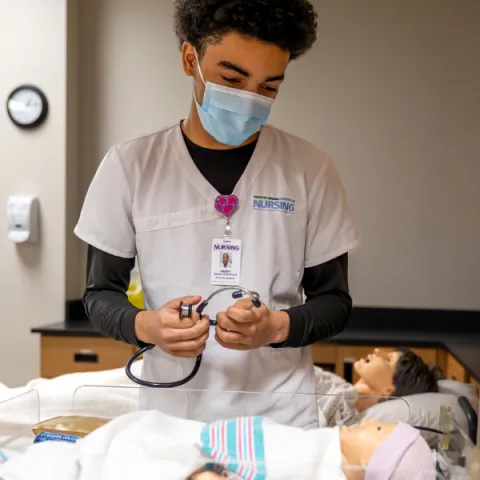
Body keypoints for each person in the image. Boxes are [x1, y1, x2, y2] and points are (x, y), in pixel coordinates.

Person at [75, 0, 360, 427]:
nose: (249, 100)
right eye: (232, 79)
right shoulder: (130, 167)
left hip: (281, 420)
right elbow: (99, 295)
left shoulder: (309, 169)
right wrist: (147, 326)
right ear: (191, 59)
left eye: (268, 88)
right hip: (172, 418)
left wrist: (276, 327)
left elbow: (334, 302)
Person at [189, 417, 436, 479]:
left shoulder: (321, 470)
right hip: (204, 447)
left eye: (378, 429)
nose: (370, 421)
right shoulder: (327, 449)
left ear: (367, 464)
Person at [315, 347, 442, 427]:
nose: (377, 351)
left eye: (387, 359)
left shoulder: (345, 419)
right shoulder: (334, 381)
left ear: (389, 389)